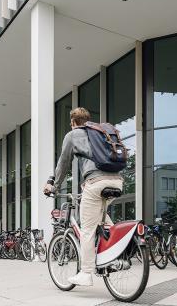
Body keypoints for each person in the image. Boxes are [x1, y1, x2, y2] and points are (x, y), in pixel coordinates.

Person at [43, 107, 123, 286]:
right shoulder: (100, 132)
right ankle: (115, 255)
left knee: (87, 229)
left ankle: (86, 273)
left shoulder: (73, 135)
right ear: (88, 120)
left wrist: (53, 185)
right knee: (102, 219)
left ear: (72, 122)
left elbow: (63, 164)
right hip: (117, 181)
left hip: (95, 183)